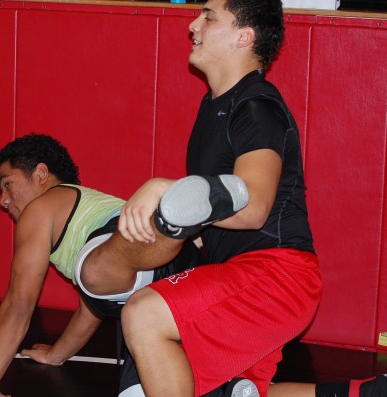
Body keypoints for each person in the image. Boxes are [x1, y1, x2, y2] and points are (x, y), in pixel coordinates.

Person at [111, 1, 386, 397]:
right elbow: (211, 216)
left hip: (277, 275)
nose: (193, 25)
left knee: (143, 315)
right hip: (250, 276)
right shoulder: (214, 106)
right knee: (233, 391)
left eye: (208, 15)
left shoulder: (255, 106)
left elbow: (254, 207)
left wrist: (161, 188)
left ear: (244, 36)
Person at [0, 133, 212, 397]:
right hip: (177, 284)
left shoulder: (40, 210)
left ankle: (173, 220)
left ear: (40, 173)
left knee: (93, 274)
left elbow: (19, 305)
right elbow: (92, 308)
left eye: (7, 184)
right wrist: (55, 354)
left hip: (146, 253)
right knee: (96, 287)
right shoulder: (84, 216)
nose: (3, 200)